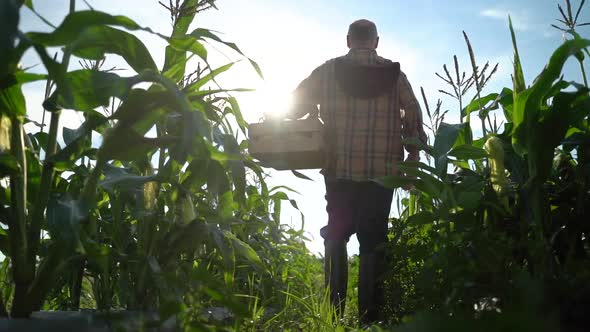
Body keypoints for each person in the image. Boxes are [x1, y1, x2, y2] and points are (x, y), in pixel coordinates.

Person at [287, 19, 427, 324]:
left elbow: (294, 106)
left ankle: (332, 315)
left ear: (348, 40)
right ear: (375, 42)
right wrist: (413, 155)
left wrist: (307, 115)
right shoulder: (394, 75)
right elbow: (413, 116)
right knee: (373, 237)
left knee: (336, 233)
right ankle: (369, 319)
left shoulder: (327, 71)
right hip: (382, 172)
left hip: (339, 171)